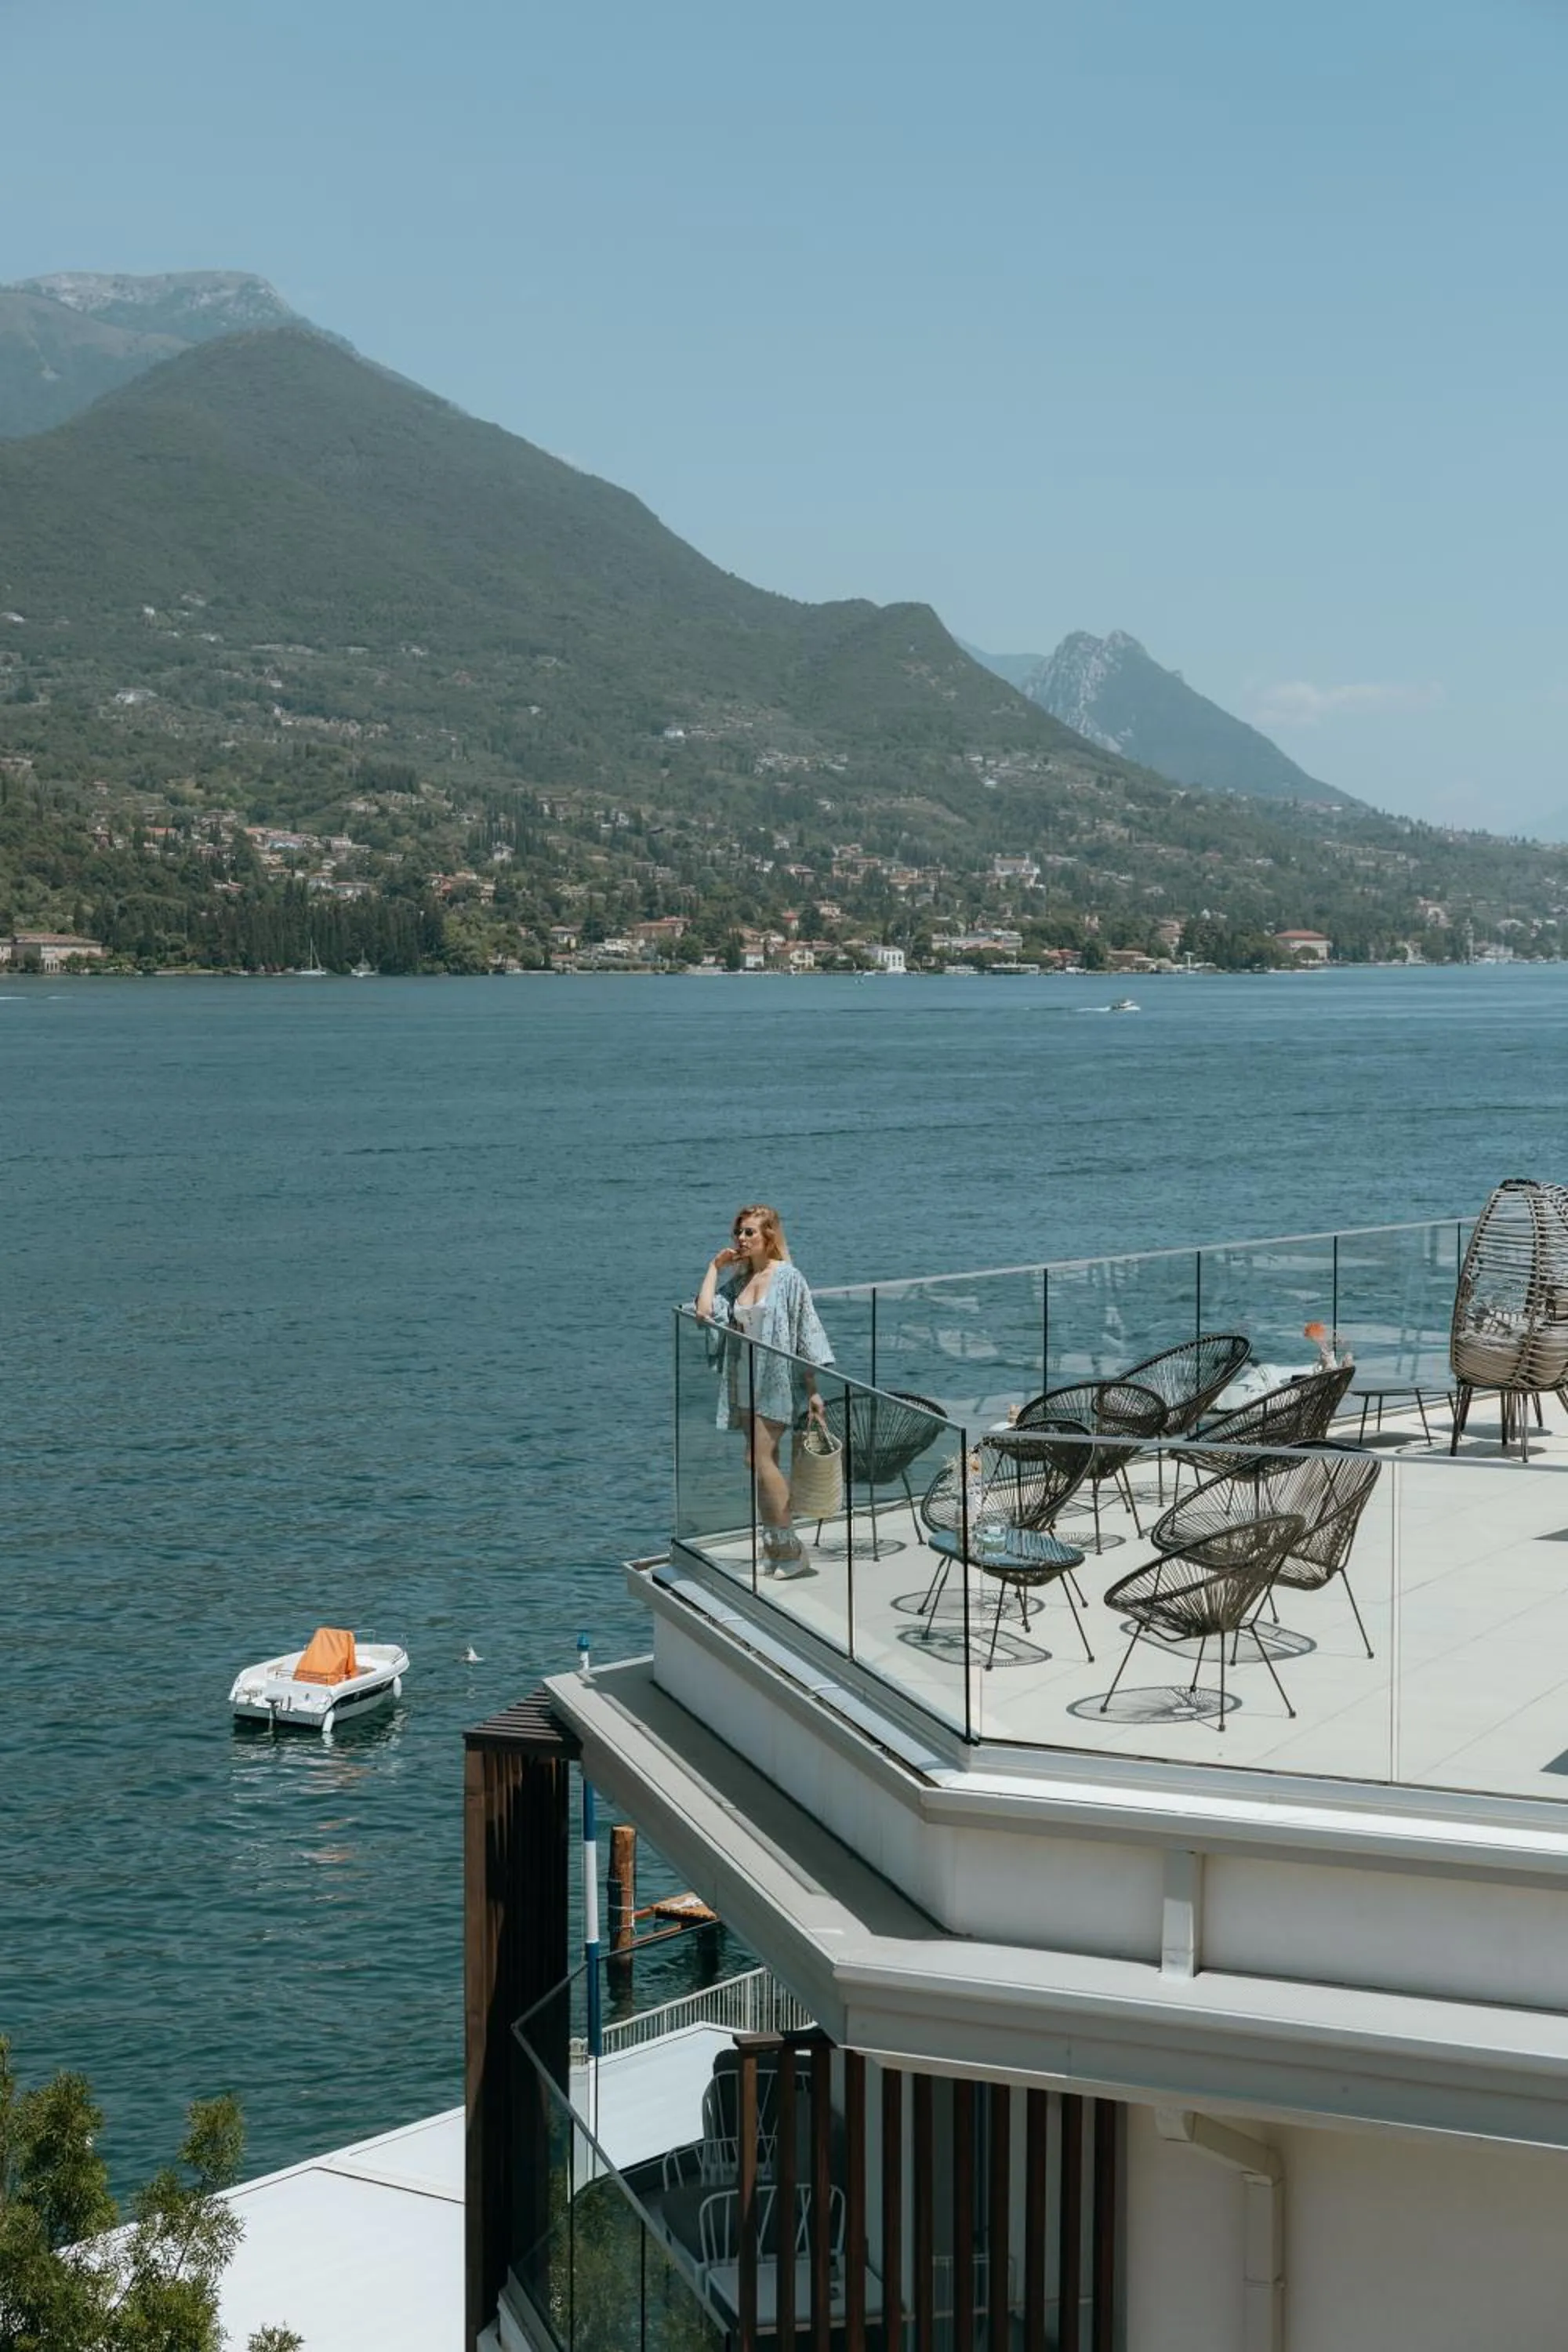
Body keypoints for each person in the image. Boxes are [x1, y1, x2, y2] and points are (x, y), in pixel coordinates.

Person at [696, 1204, 834, 1576]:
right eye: (738, 1233)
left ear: (769, 1236)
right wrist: (714, 1267)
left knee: (759, 1461)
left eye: (750, 1233)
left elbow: (807, 1332)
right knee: (757, 1464)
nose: (741, 1239)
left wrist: (813, 1391)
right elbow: (704, 1312)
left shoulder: (788, 1277)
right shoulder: (740, 1283)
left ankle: (790, 1547)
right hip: (744, 1381)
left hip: (775, 1380)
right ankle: (774, 1546)